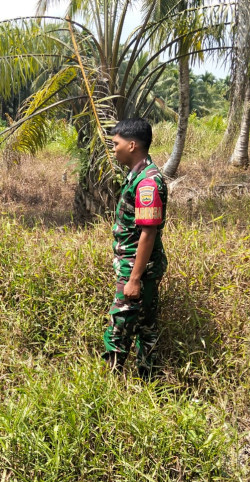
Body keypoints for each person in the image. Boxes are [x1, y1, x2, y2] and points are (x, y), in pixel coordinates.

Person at [102, 118, 168, 379]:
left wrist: (134, 279)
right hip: (138, 267)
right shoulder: (137, 176)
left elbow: (148, 233)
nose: (113, 149)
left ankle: (109, 386)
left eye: (115, 144)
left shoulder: (147, 184)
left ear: (132, 145)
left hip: (137, 269)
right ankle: (150, 383)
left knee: (118, 329)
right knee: (145, 328)